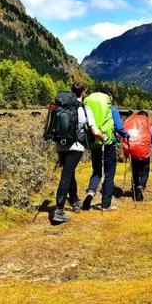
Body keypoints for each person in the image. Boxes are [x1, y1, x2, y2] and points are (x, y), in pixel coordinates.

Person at [54, 82, 104, 224]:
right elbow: (94, 130)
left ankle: (75, 201)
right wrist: (103, 137)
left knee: (69, 173)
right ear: (83, 92)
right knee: (66, 175)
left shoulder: (62, 106)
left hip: (60, 145)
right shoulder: (84, 108)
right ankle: (59, 210)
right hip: (75, 147)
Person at [83, 88, 129, 211]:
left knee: (97, 171)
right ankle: (105, 204)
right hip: (108, 143)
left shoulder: (89, 107)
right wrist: (126, 135)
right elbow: (119, 127)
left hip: (94, 142)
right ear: (109, 96)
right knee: (109, 174)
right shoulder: (111, 109)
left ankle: (91, 192)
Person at [122, 110, 152, 201]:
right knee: (145, 171)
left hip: (132, 151)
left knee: (135, 171)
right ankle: (141, 186)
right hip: (144, 151)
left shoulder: (131, 124)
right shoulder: (148, 125)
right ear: (146, 117)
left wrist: (126, 152)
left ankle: (136, 187)